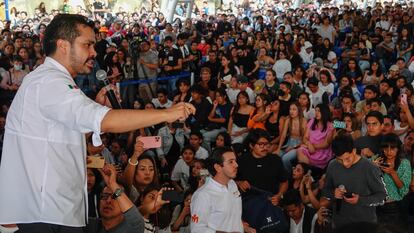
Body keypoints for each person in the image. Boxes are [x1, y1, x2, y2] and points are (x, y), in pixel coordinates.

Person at [0, 14, 195, 232]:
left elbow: (54, 136)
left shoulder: (50, 81)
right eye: (87, 45)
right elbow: (106, 121)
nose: (94, 52)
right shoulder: (49, 82)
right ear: (63, 45)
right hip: (43, 213)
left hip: (51, 211)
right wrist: (166, 114)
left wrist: (92, 107)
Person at [320, 134, 387, 229]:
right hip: (340, 224)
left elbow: (382, 197)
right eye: (340, 160)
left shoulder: (370, 168)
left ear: (354, 151)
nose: (344, 163)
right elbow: (325, 191)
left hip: (365, 225)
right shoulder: (332, 165)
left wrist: (360, 200)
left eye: (347, 158)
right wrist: (333, 193)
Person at [190, 147, 249, 233]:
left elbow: (232, 212)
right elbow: (197, 229)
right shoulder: (203, 195)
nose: (236, 165)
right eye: (231, 162)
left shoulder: (232, 184)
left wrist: (241, 225)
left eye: (235, 161)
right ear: (218, 167)